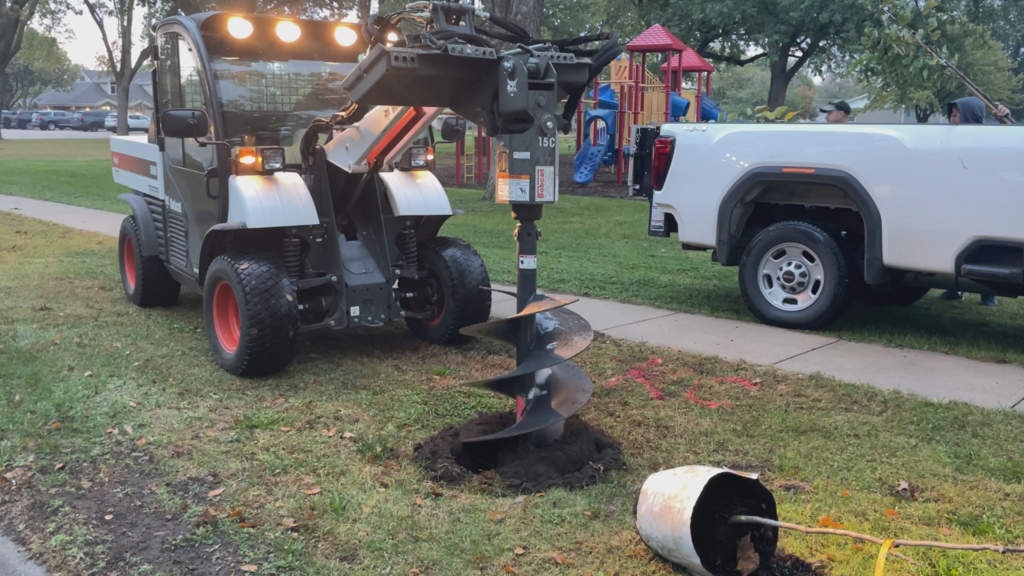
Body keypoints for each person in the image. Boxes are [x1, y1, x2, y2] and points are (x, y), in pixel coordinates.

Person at [939, 96, 1012, 306]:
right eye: (951, 112)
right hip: (957, 200)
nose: (951, 116)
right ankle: (954, 288)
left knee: (985, 250)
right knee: (953, 243)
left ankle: (988, 293)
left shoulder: (987, 136)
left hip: (984, 202)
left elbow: (1008, 141)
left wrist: (1004, 120)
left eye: (956, 112)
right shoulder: (948, 136)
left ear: (969, 114)